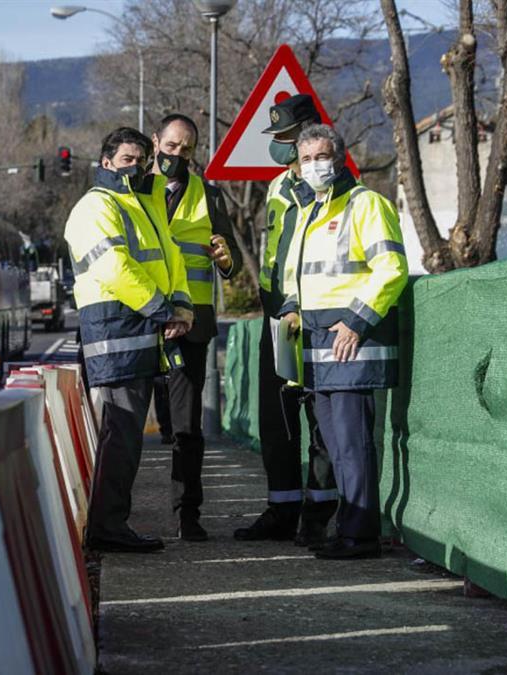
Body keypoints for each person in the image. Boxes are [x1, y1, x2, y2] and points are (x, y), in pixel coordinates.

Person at [279, 123, 407, 559]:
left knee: (353, 445)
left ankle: (360, 535)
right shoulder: (307, 211)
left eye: (321, 156)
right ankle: (348, 528)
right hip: (316, 346)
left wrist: (356, 323)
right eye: (306, 159)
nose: (314, 165)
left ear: (339, 158)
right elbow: (296, 277)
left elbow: (391, 268)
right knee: (335, 447)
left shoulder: (366, 204)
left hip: (352, 342)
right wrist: (290, 309)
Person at [64, 126, 193, 553]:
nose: (135, 167)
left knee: (127, 437)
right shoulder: (96, 205)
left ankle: (110, 524)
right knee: (119, 437)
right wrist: (165, 310)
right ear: (106, 163)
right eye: (126, 160)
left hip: (140, 331)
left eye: (141, 160)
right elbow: (113, 268)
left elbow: (172, 258)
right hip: (117, 334)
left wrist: (181, 305)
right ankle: (108, 527)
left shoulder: (143, 203)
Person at [233, 94, 338, 547]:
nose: (279, 145)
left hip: (319, 315)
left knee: (321, 420)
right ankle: (282, 509)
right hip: (278, 315)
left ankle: (318, 516)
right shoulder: (278, 186)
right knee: (277, 419)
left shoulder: (337, 186)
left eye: (286, 136)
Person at [149, 113, 243, 542]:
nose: (178, 155)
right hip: (142, 320)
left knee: (186, 427)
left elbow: (231, 260)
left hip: (193, 325)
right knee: (128, 424)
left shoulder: (209, 195)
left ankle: (187, 513)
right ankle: (113, 515)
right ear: (156, 142)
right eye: (171, 146)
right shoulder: (133, 189)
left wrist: (225, 258)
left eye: (186, 149)